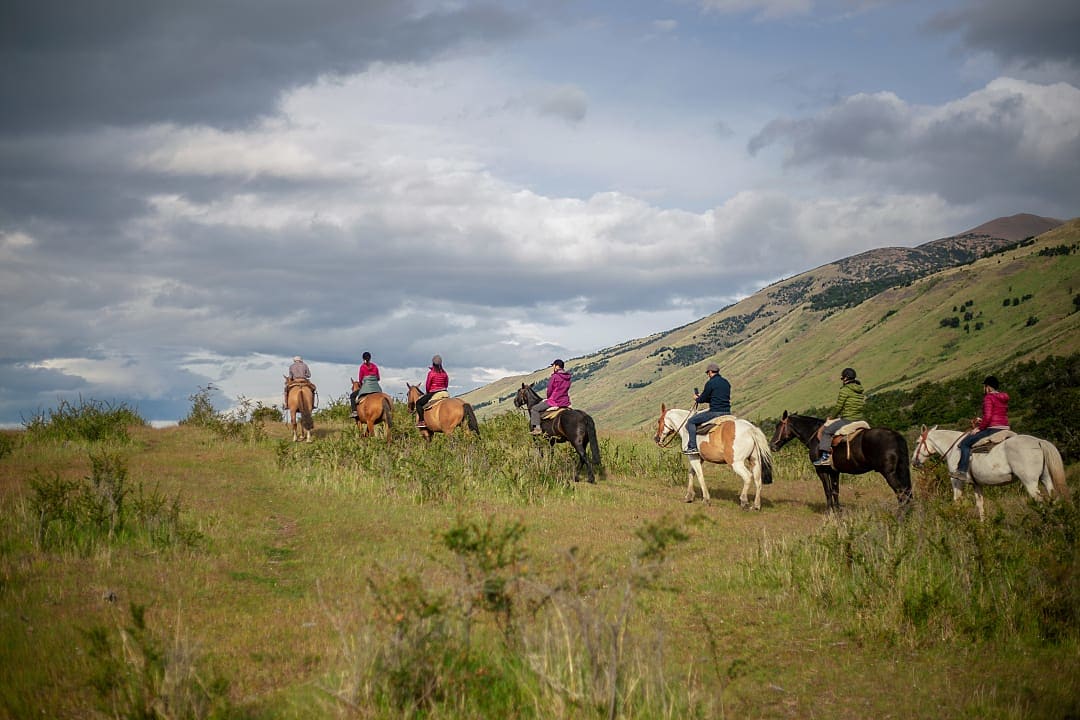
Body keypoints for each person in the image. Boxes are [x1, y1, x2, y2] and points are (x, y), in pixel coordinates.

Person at [952, 375, 1010, 483]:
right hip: (1005, 427)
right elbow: (997, 413)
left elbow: (988, 417)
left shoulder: (988, 397)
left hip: (993, 428)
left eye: (984, 386)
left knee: (964, 444)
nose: (983, 389)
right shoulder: (1003, 397)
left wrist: (980, 428)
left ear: (988, 387)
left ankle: (962, 471)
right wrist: (981, 420)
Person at [813, 367, 866, 466]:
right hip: (859, 418)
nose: (842, 380)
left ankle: (825, 458)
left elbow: (839, 407)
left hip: (848, 419)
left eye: (842, 378)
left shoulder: (845, 390)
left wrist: (831, 417)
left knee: (826, 431)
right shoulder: (859, 390)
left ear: (845, 378)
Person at [684, 362, 732, 455]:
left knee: (691, 421)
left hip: (715, 412)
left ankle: (693, 447)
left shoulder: (710, 383)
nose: (707, 375)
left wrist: (697, 398)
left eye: (707, 373)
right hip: (727, 411)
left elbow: (703, 399)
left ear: (710, 372)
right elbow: (717, 398)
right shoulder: (726, 382)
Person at [530, 359, 572, 434]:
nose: (553, 367)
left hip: (554, 401)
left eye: (553, 366)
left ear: (557, 366)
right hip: (565, 402)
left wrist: (549, 398)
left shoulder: (555, 376)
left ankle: (538, 429)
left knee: (534, 409)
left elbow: (549, 389)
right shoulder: (568, 378)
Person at [414, 354, 449, 428]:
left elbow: (428, 385)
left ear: (433, 363)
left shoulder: (431, 373)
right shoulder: (444, 373)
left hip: (434, 392)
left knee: (418, 403)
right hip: (445, 392)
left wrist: (427, 392)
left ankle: (421, 421)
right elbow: (446, 383)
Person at [349, 351, 382, 419]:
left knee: (352, 396)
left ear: (363, 358)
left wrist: (362, 384)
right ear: (370, 358)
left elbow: (360, 379)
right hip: (376, 388)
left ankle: (354, 412)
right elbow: (378, 378)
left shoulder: (362, 367)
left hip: (366, 388)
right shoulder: (375, 366)